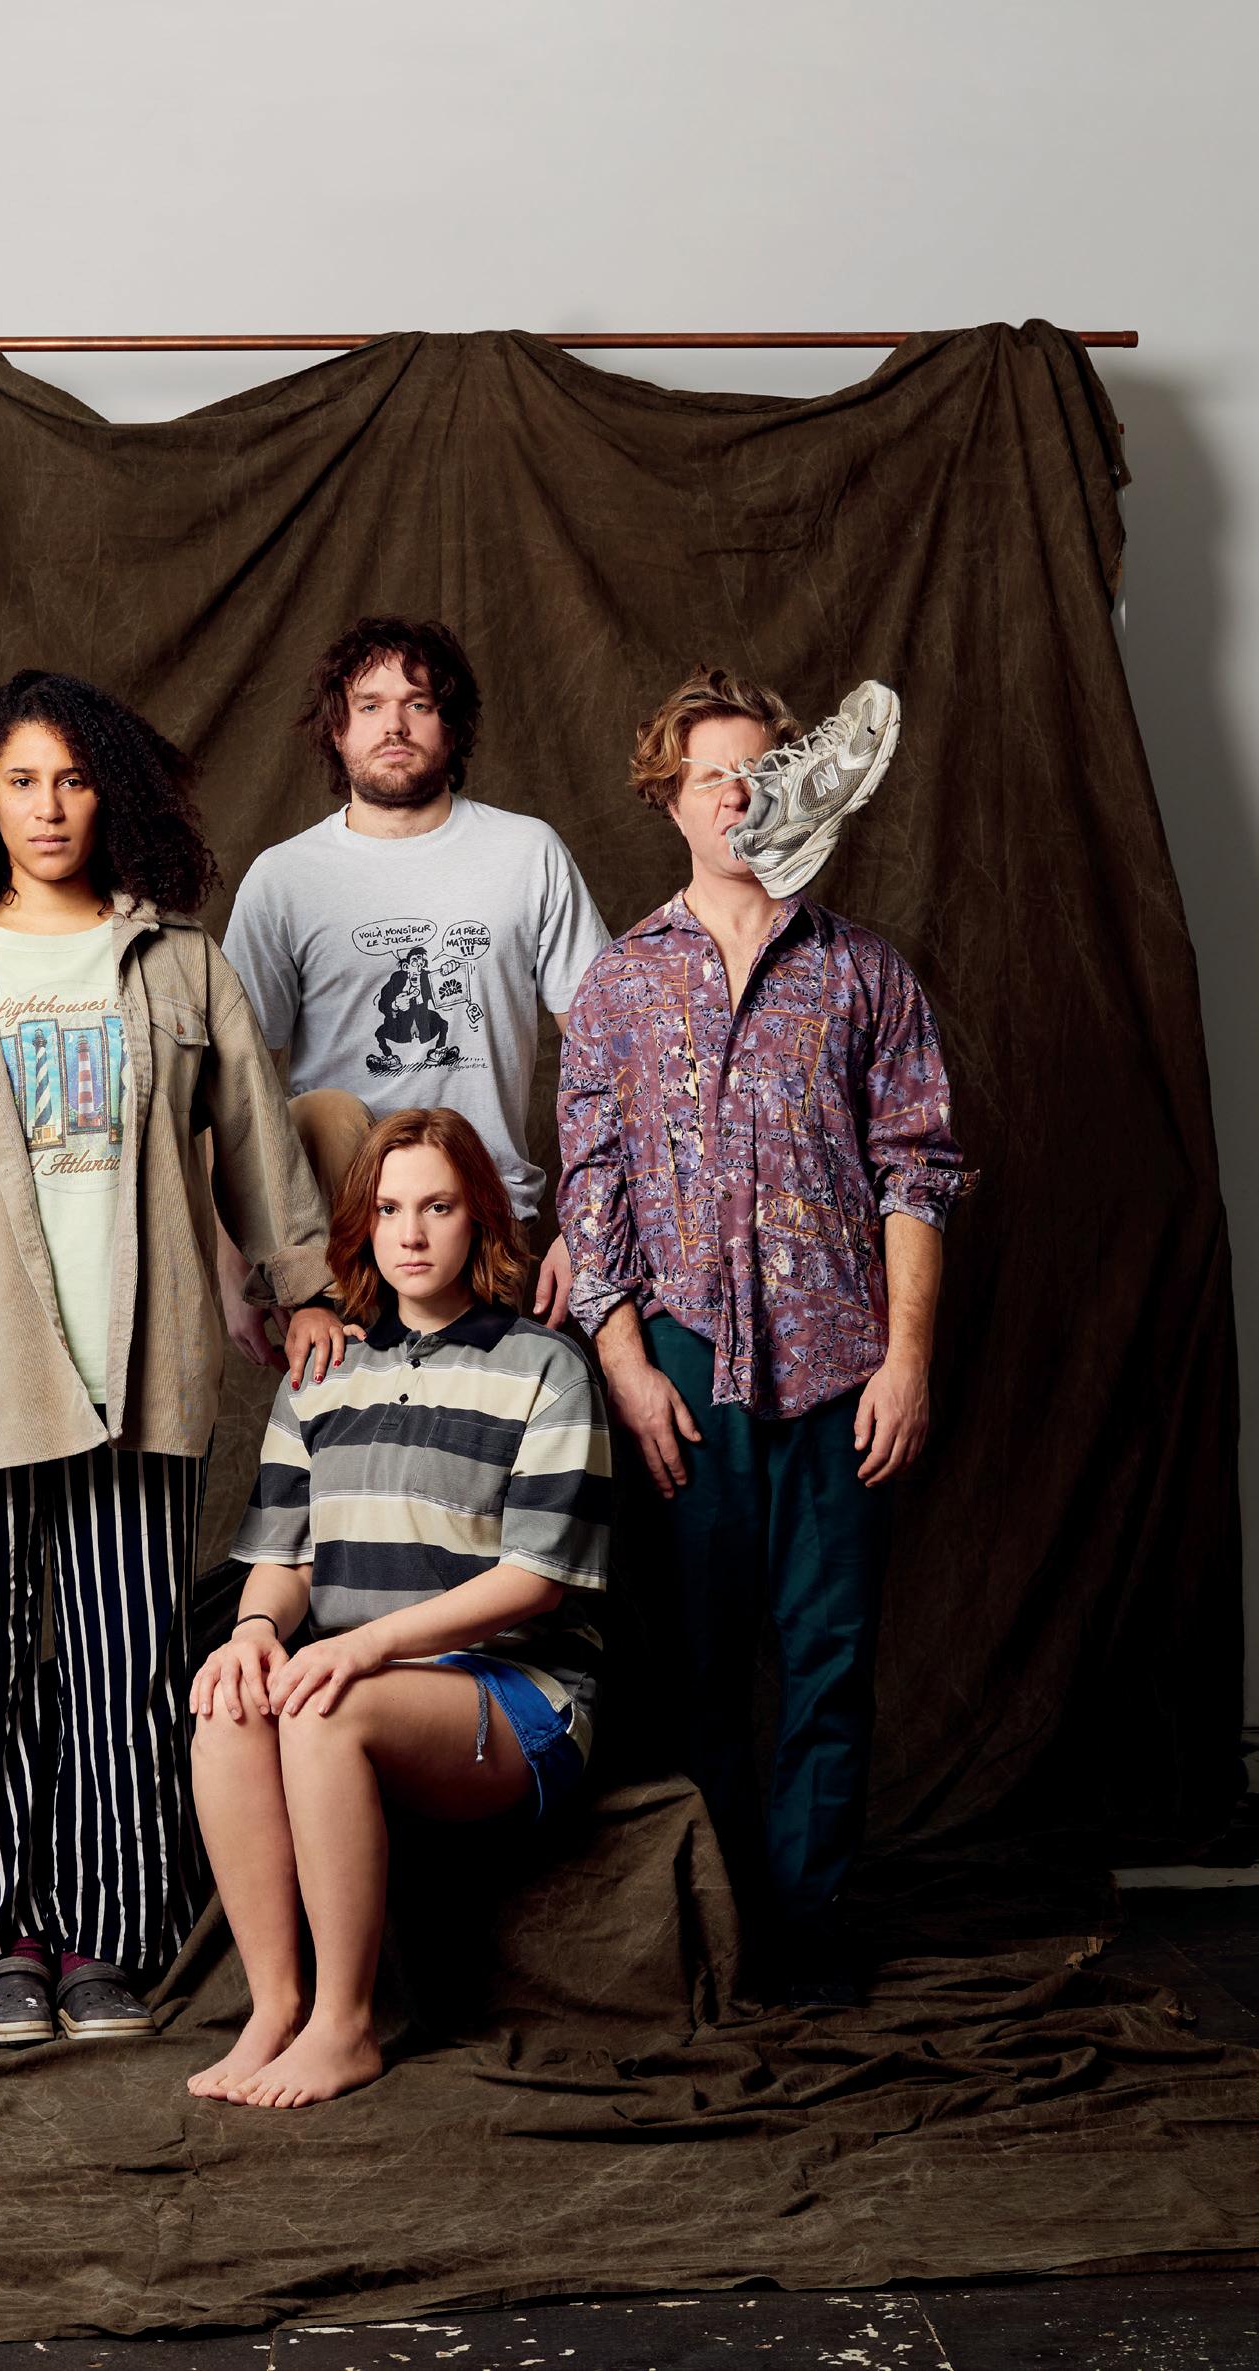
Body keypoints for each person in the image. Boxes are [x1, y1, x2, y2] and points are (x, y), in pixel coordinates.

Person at [0, 670, 350, 2049]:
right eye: (23, 780)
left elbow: (258, 1140)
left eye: (74, 780)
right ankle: (0, 1942)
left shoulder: (179, 963)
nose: (48, 807)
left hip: (137, 1382)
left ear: (112, 796)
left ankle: (103, 1937)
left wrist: (306, 1290)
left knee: (123, 1673)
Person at [556, 665, 975, 2007]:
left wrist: (906, 1359)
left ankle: (807, 1927)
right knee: (692, 1671)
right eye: (709, 777)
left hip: (842, 1365)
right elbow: (590, 1190)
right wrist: (626, 1368)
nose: (736, 797)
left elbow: (918, 1170)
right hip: (683, 1368)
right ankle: (716, 1924)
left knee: (828, 1662)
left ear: (797, 784)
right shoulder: (617, 984)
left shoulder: (864, 972)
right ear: (669, 798)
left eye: (758, 772)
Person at [187, 1108, 611, 2108]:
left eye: (437, 1207)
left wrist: (360, 1648)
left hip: (518, 1695)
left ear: (481, 1219)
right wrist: (253, 1632)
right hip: (364, 1679)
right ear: (361, 1225)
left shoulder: (544, 1367)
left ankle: (346, 2027)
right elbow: (285, 1556)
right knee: (226, 1702)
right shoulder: (322, 1373)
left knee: (323, 1707)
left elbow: (535, 1579)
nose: (410, 1233)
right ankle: (276, 2007)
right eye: (386, 1209)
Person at [217, 616, 610, 1359]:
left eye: (418, 704)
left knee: (483, 1428)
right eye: (369, 705)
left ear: (451, 727)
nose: (393, 725)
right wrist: (234, 1260)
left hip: (486, 1224)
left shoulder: (526, 853)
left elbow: (612, 1056)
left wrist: (586, 1227)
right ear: (337, 729)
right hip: (340, 1244)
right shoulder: (284, 878)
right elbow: (231, 1091)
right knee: (323, 1111)